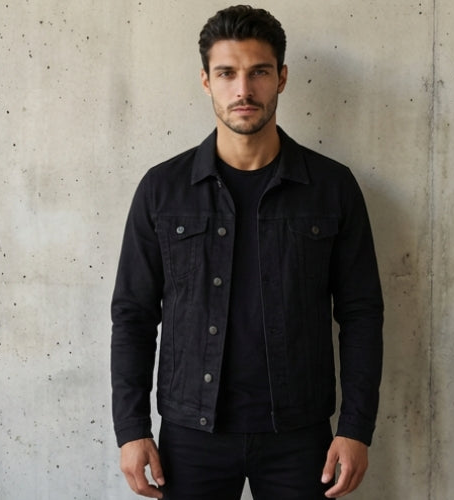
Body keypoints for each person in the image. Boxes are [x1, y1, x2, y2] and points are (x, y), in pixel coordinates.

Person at [111, 5, 383, 499]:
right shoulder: (162, 189)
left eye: (258, 72)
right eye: (226, 73)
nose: (243, 90)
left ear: (281, 78)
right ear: (206, 81)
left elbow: (362, 312)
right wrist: (132, 429)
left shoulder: (331, 187)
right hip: (191, 436)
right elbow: (133, 314)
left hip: (300, 435)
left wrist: (356, 427)